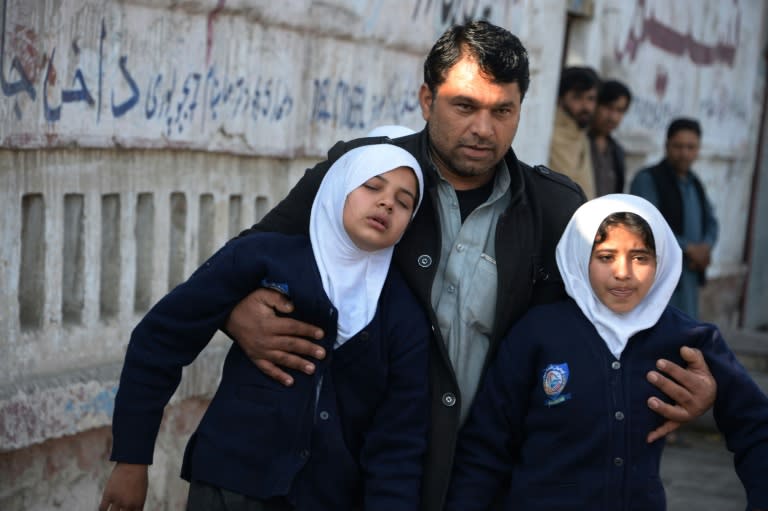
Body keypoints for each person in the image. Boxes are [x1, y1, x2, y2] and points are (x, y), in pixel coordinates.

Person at [224, 21, 717, 511]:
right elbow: (247, 258)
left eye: (503, 110)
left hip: (474, 482)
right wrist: (238, 313)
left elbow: (616, 319)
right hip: (332, 472)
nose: (484, 129)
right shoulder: (365, 176)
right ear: (426, 99)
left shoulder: (557, 212)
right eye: (465, 106)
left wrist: (692, 381)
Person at [99, 143, 431, 511]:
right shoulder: (263, 259)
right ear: (339, 186)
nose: (386, 203)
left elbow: (398, 442)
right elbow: (159, 339)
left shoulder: (405, 316)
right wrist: (131, 459)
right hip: (229, 489)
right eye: (372, 186)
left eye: (404, 202)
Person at [444, 194, 768, 511]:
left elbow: (755, 426)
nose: (623, 272)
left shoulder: (686, 338)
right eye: (605, 256)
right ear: (579, 256)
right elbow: (485, 449)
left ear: (662, 260)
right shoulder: (537, 333)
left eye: (641, 257)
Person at [630, 117, 718, 318]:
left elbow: (712, 221)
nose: (684, 153)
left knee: (685, 331)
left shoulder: (695, 183)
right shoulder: (648, 179)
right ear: (667, 145)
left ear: (698, 149)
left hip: (690, 274)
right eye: (678, 146)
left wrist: (706, 247)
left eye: (690, 147)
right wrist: (688, 248)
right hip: (658, 275)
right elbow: (646, 224)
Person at [548, 66, 601, 199]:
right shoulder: (550, 133)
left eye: (590, 99)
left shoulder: (581, 135)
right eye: (577, 97)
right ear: (561, 98)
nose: (586, 106)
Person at [588, 79, 632, 196]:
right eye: (608, 107)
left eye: (619, 110)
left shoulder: (617, 151)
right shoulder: (579, 141)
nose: (613, 117)